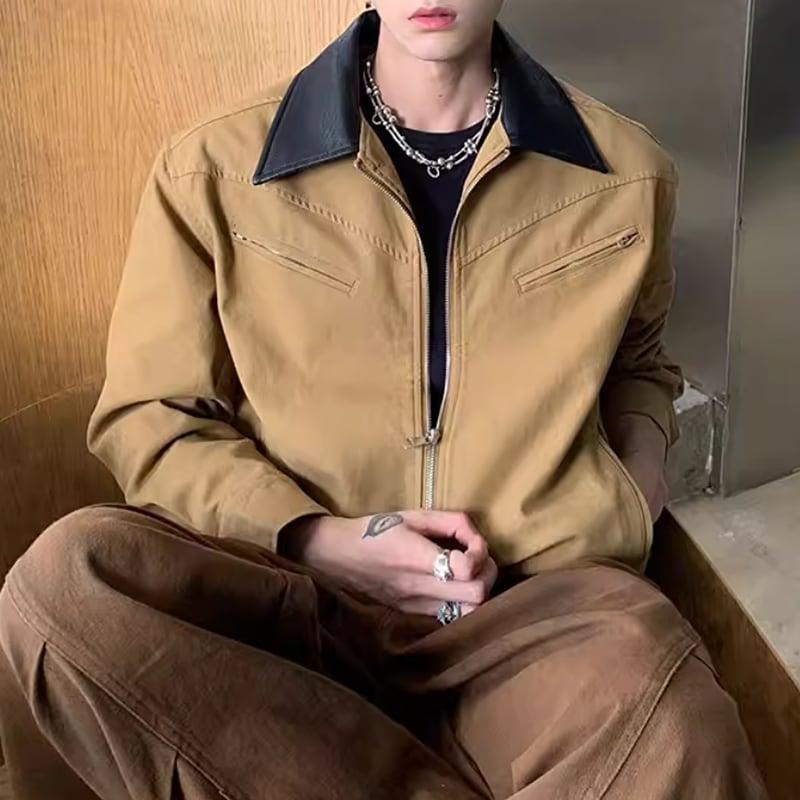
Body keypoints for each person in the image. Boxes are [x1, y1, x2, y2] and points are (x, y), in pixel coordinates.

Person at [0, 3, 768, 799]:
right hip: (288, 604)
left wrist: (636, 480)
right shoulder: (212, 169)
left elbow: (638, 363)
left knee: (673, 714)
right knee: (65, 584)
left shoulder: (627, 173)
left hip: (530, 610)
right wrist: (313, 539)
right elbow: (152, 416)